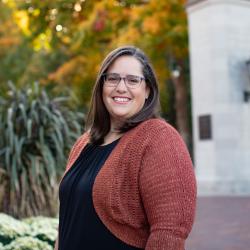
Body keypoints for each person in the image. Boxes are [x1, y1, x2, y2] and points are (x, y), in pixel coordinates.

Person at [54, 46, 196, 250]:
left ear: (147, 90)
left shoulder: (159, 138)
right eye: (112, 78)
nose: (121, 87)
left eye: (132, 80)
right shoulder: (83, 143)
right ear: (102, 86)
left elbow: (170, 231)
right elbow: (67, 220)